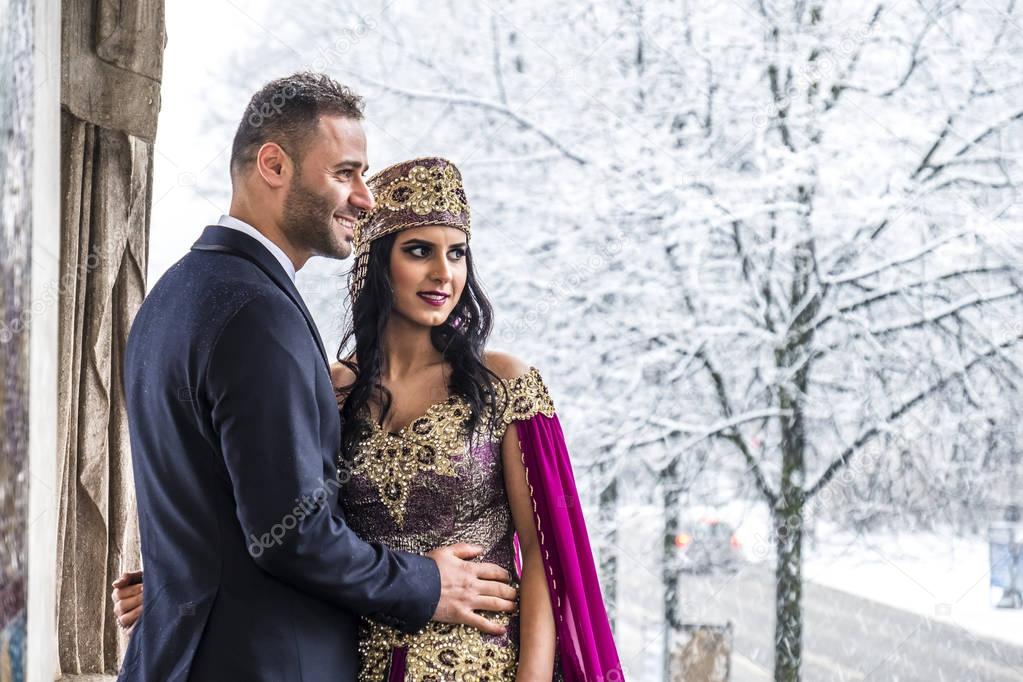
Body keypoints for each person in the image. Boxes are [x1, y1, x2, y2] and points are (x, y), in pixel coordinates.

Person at [117, 156, 624, 680]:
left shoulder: (504, 384)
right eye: (419, 251)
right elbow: (286, 524)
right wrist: (177, 580)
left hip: (482, 664)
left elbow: (545, 551)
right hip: (352, 662)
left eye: (457, 254)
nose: (443, 274)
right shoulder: (329, 387)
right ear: (376, 262)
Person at [115, 74, 517, 682]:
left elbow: (225, 504)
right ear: (273, 165)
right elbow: (291, 534)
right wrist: (429, 582)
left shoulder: (172, 296)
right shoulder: (258, 314)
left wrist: (184, 576)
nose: (365, 197)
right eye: (345, 173)